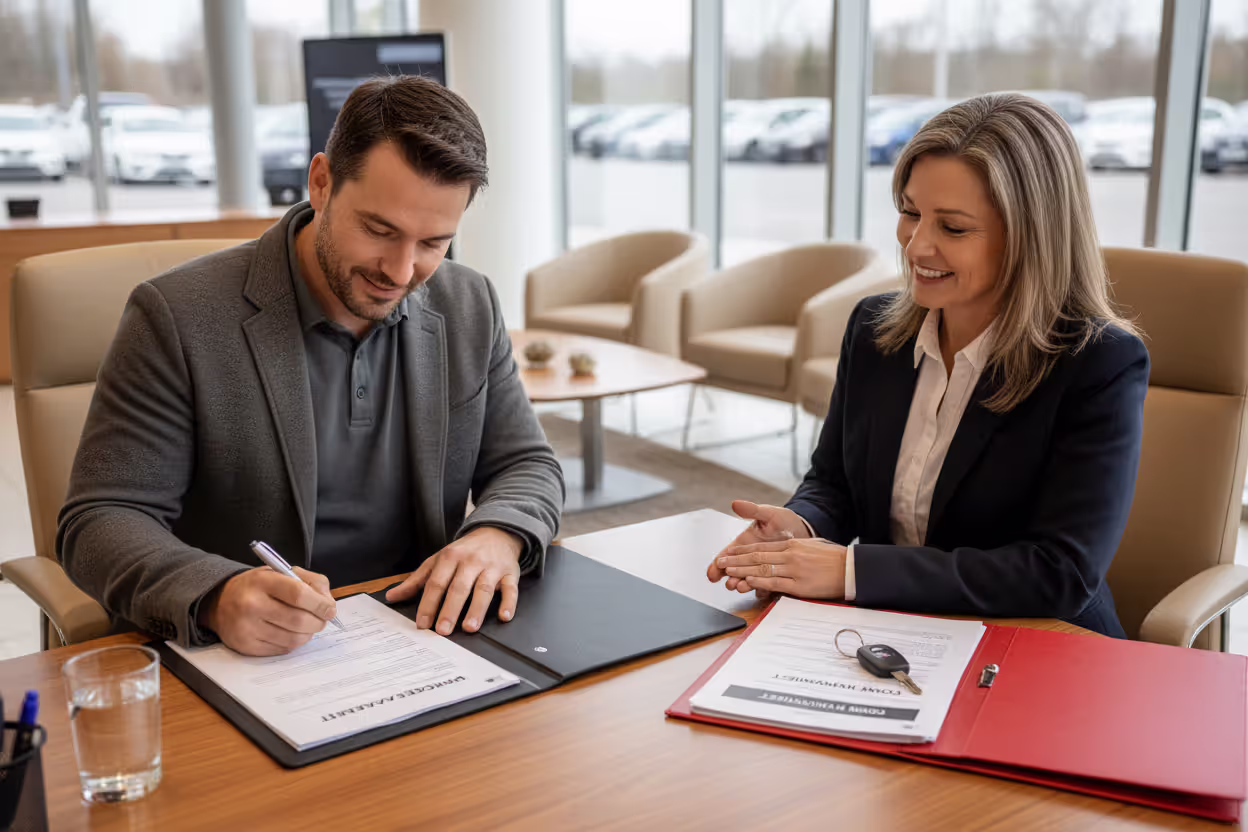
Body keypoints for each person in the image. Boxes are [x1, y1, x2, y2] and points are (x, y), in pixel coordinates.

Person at [58, 76, 565, 655]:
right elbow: (100, 520)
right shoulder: (176, 316)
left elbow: (527, 463)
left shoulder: (468, 302)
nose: (401, 272)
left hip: (419, 640)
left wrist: (497, 534)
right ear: (320, 183)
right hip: (250, 656)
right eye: (379, 230)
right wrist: (218, 594)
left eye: (433, 243)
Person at [707, 93, 1148, 637]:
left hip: (1039, 643)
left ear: (1030, 238)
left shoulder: (1098, 364)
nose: (916, 246)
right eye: (911, 212)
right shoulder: (873, 331)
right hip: (894, 632)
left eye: (953, 228)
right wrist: (799, 526)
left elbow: (1060, 572)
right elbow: (833, 482)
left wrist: (848, 569)